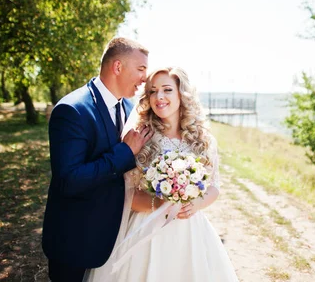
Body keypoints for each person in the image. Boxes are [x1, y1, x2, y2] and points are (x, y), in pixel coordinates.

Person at [84, 67, 238, 281]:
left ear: (181, 94)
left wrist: (197, 204)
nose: (160, 97)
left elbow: (214, 187)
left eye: (167, 89)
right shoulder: (140, 137)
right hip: (146, 231)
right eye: (153, 91)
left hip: (189, 231)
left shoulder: (203, 139)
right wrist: (160, 205)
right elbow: (126, 195)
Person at [42, 37, 154, 282]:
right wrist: (125, 152)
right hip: (75, 241)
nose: (145, 78)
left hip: (114, 238)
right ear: (117, 67)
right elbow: (69, 180)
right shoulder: (72, 110)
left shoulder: (128, 108)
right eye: (141, 69)